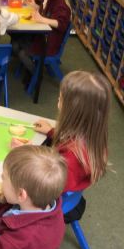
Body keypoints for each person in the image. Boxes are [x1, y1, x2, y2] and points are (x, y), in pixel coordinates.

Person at [12, 71, 110, 223]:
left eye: (61, 98)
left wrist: (28, 154)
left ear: (73, 110)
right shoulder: (93, 138)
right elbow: (68, 141)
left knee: (8, 195)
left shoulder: (71, 157)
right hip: (72, 199)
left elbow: (45, 186)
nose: (58, 99)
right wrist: (51, 132)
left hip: (55, 206)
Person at [12, 0, 71, 80]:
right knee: (16, 42)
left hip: (48, 45)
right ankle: (30, 67)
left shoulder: (62, 5)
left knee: (20, 50)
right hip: (41, 37)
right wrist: (35, 6)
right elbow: (46, 12)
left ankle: (36, 74)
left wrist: (42, 19)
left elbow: (61, 24)